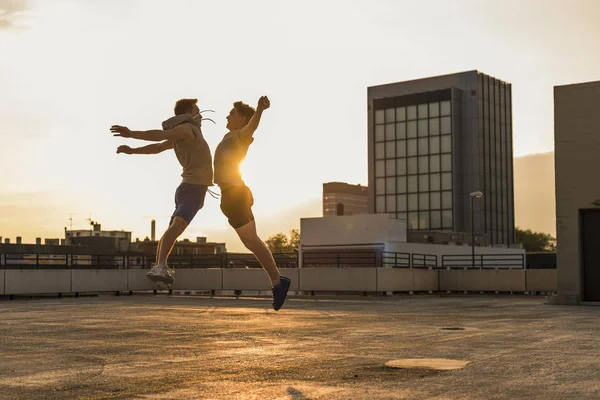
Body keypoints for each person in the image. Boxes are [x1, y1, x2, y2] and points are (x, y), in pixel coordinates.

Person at [111, 98, 213, 287]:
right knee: (176, 228)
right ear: (188, 114)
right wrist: (131, 134)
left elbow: (157, 148)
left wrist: (132, 151)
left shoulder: (188, 133)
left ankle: (160, 266)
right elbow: (158, 136)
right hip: (193, 188)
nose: (201, 116)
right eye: (197, 111)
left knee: (174, 230)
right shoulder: (187, 130)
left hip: (191, 188)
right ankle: (159, 266)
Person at [214, 96, 291, 311]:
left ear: (242, 120)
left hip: (235, 194)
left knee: (252, 241)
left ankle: (278, 282)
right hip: (229, 196)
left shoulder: (241, 135)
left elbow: (253, 127)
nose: (228, 115)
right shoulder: (229, 136)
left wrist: (259, 110)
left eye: (232, 113)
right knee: (250, 242)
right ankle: (277, 281)